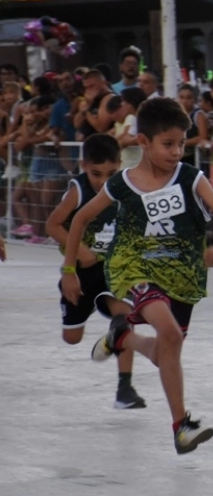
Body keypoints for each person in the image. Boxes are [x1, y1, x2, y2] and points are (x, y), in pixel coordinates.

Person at [62, 98, 213, 454]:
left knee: (164, 352)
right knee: (170, 332)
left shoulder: (191, 178)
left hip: (183, 272)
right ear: (143, 142)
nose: (176, 152)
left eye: (182, 144)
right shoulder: (123, 183)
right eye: (168, 144)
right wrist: (69, 271)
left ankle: (124, 338)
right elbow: (79, 219)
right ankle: (181, 427)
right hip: (135, 267)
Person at [45, 133, 145, 410]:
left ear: (121, 164)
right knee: (72, 337)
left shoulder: (126, 187)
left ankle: (125, 389)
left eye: (110, 173)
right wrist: (72, 266)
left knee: (125, 317)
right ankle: (96, 318)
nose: (103, 181)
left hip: (114, 268)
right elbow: (53, 225)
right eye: (96, 174)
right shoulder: (77, 190)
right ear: (83, 165)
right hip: (80, 272)